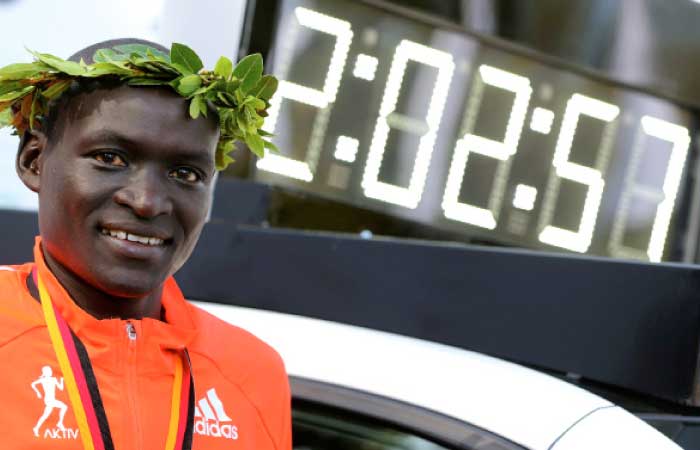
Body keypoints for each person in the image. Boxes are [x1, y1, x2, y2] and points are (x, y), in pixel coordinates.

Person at [0, 38, 290, 449]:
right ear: (34, 160)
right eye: (111, 158)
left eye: (186, 173)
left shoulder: (252, 372)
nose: (147, 202)